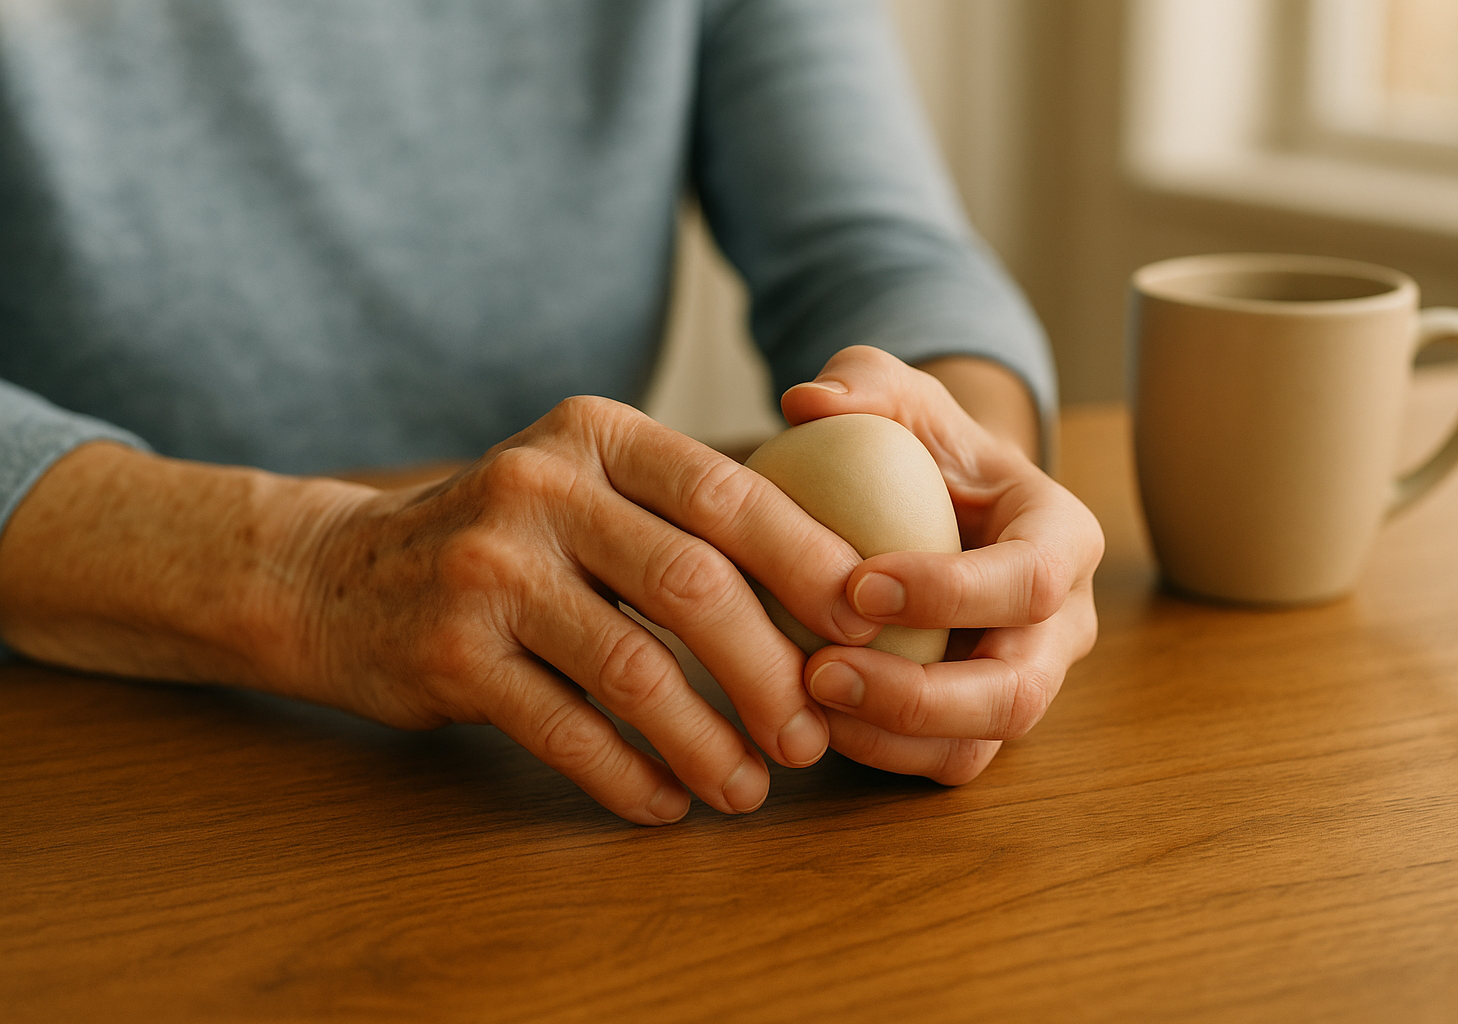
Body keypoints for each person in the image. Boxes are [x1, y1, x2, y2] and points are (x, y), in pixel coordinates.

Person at [0, 0, 1103, 824]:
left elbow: (876, 246)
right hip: (87, 771)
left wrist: (969, 470)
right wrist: (312, 572)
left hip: (519, 779)